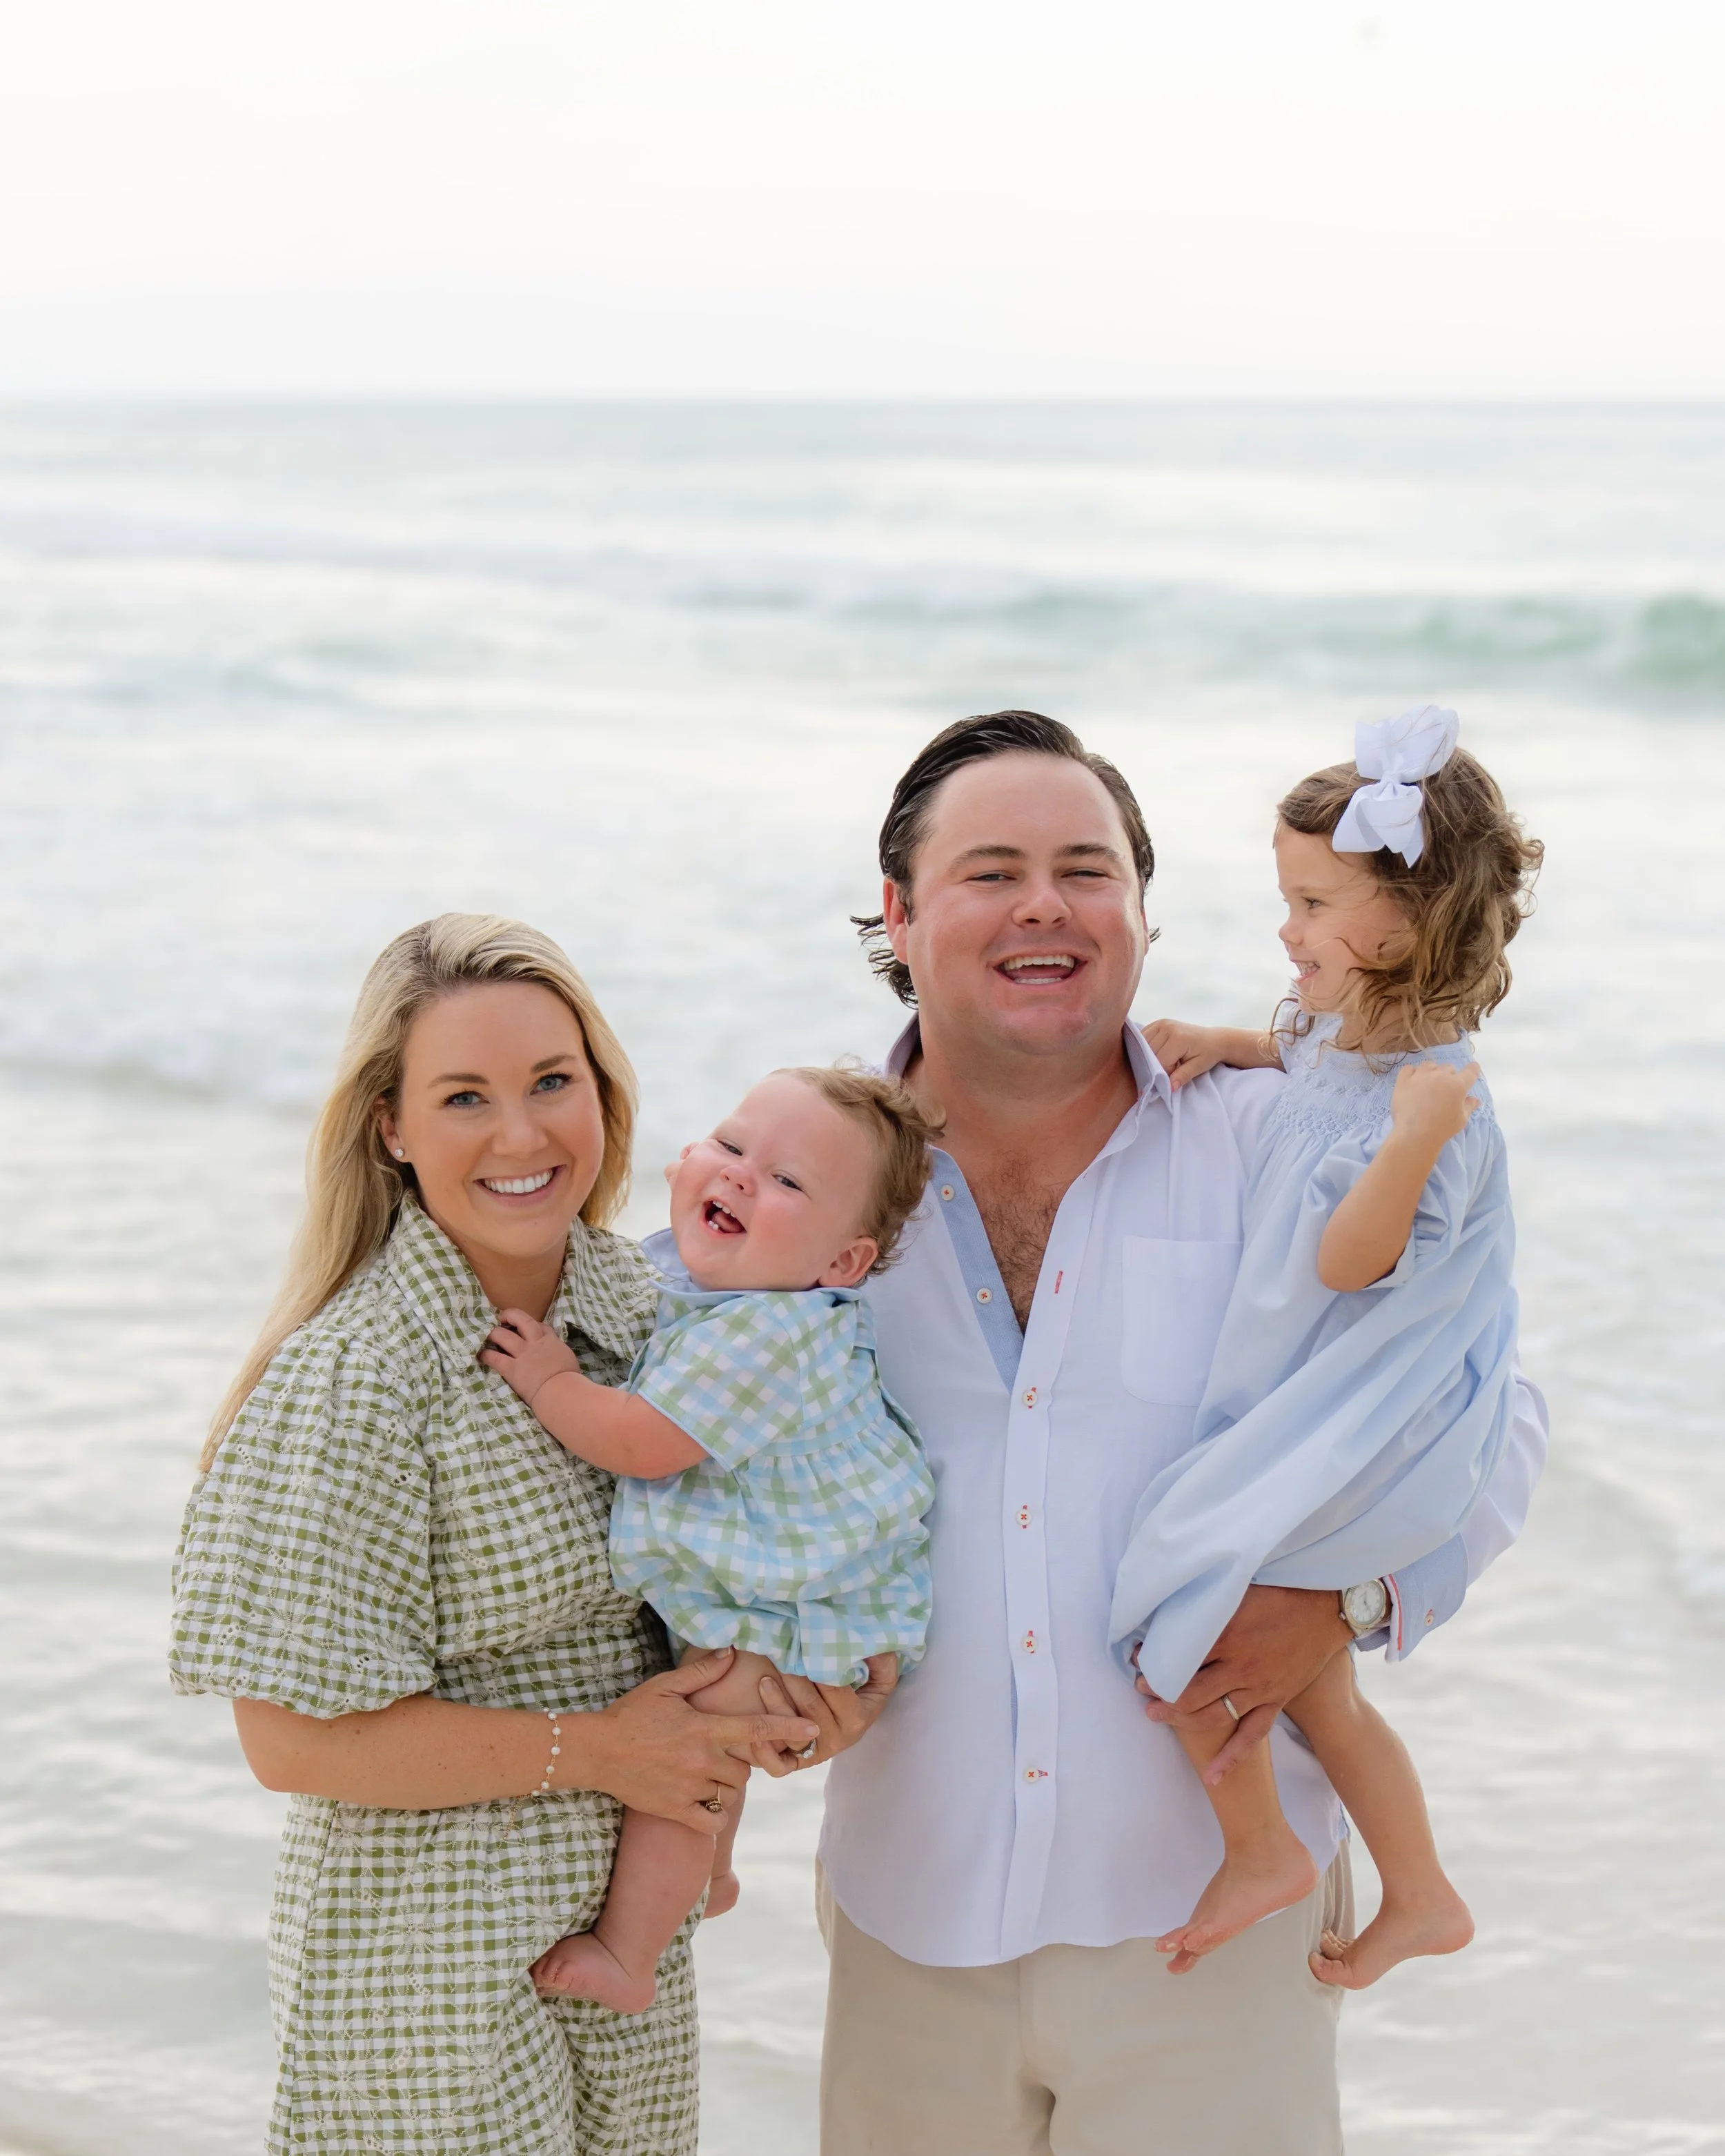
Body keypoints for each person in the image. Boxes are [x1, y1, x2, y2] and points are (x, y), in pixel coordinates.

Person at [816, 711, 1549, 2156]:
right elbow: (695, 1406)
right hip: (908, 1912)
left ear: (1142, 915)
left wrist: (1344, 1603)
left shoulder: (1279, 1133)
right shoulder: (808, 1172)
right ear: (898, 916)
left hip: (1212, 1937)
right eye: (991, 870)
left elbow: (1489, 1403)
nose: (1044, 903)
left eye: (1086, 867)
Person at [170, 913, 820, 2156]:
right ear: (393, 1128)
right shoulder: (359, 1378)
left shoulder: (648, 1315)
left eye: (550, 1083)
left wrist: (807, 1694)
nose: (521, 1135)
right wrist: (606, 1750)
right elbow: (289, 1741)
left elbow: (754, 1553)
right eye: (464, 1097)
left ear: (604, 1093)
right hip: (426, 1969)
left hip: (620, 1953)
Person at [1110, 705, 1541, 1988]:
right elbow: (1304, 1067)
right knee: (1308, 1688)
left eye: (1310, 903)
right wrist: (1224, 1041)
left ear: (1404, 928)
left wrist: (1410, 1143)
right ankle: (1419, 1888)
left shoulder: (1437, 1106)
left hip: (1377, 1416)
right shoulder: (1349, 1036)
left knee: (1174, 1588)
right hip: (1319, 1391)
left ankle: (1266, 1854)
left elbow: (1350, 1261)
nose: (1285, 931)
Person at [480, 1065, 938, 2013]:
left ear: (842, 1264)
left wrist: (551, 1382)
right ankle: (713, 1874)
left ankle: (631, 1953)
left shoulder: (767, 1334)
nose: (737, 1177)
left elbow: (642, 1445)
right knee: (715, 1735)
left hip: (803, 1608)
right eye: (731, 1148)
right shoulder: (710, 1283)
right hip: (783, 1586)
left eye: (787, 1182)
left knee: (691, 1754)